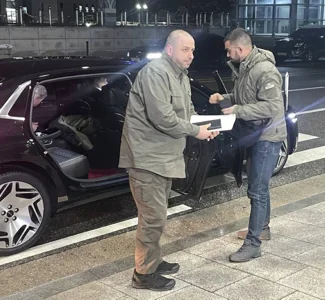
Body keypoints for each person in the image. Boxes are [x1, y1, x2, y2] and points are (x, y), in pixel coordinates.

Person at [119, 29, 219, 291]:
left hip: (163, 158)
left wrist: (204, 124)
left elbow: (187, 112)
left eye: (193, 50)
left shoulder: (179, 76)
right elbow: (162, 117)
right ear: (170, 49)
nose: (191, 55)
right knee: (152, 218)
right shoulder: (156, 73)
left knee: (157, 215)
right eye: (186, 49)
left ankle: (153, 260)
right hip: (147, 158)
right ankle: (143, 274)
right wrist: (195, 130)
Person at [209, 28, 287, 262]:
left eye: (229, 50)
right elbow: (244, 97)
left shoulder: (264, 70)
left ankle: (253, 244)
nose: (227, 55)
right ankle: (262, 229)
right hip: (254, 133)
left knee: (257, 190)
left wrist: (238, 110)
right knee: (259, 186)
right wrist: (225, 98)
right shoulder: (244, 68)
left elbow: (272, 107)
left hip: (267, 136)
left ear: (239, 49)